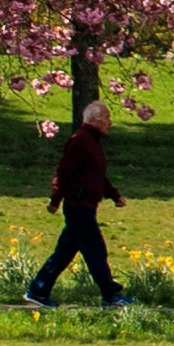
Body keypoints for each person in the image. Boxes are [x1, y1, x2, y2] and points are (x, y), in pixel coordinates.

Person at [25, 102, 126, 311]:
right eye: (107, 117)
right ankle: (110, 295)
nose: (110, 122)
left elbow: (97, 176)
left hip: (86, 205)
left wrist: (114, 195)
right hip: (78, 205)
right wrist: (55, 200)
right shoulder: (80, 141)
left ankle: (38, 290)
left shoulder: (92, 142)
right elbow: (64, 171)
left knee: (64, 252)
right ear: (95, 119)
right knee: (95, 249)